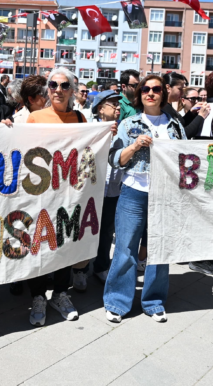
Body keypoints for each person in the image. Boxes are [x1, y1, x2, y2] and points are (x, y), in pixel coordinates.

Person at [105, 74, 185, 323]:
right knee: (125, 248)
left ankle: (154, 301)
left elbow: (187, 158)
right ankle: (117, 302)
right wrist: (134, 146)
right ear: (139, 95)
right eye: (145, 89)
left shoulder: (175, 125)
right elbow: (114, 159)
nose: (150, 93)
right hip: (134, 191)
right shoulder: (129, 123)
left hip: (166, 194)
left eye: (156, 89)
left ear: (163, 93)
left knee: (159, 249)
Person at [23, 68, 86, 325]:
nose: (58, 90)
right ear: (47, 89)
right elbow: (22, 149)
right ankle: (38, 296)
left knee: (64, 241)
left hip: (68, 193)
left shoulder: (80, 118)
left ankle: (60, 293)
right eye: (53, 85)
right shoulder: (35, 117)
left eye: (64, 85)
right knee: (38, 242)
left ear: (72, 91)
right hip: (40, 192)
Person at [90, 90, 122, 283]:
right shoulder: (88, 128)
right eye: (113, 104)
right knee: (86, 229)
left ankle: (101, 265)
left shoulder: (123, 129)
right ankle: (79, 269)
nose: (118, 107)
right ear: (101, 109)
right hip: (91, 190)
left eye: (119, 104)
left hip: (113, 190)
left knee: (107, 230)